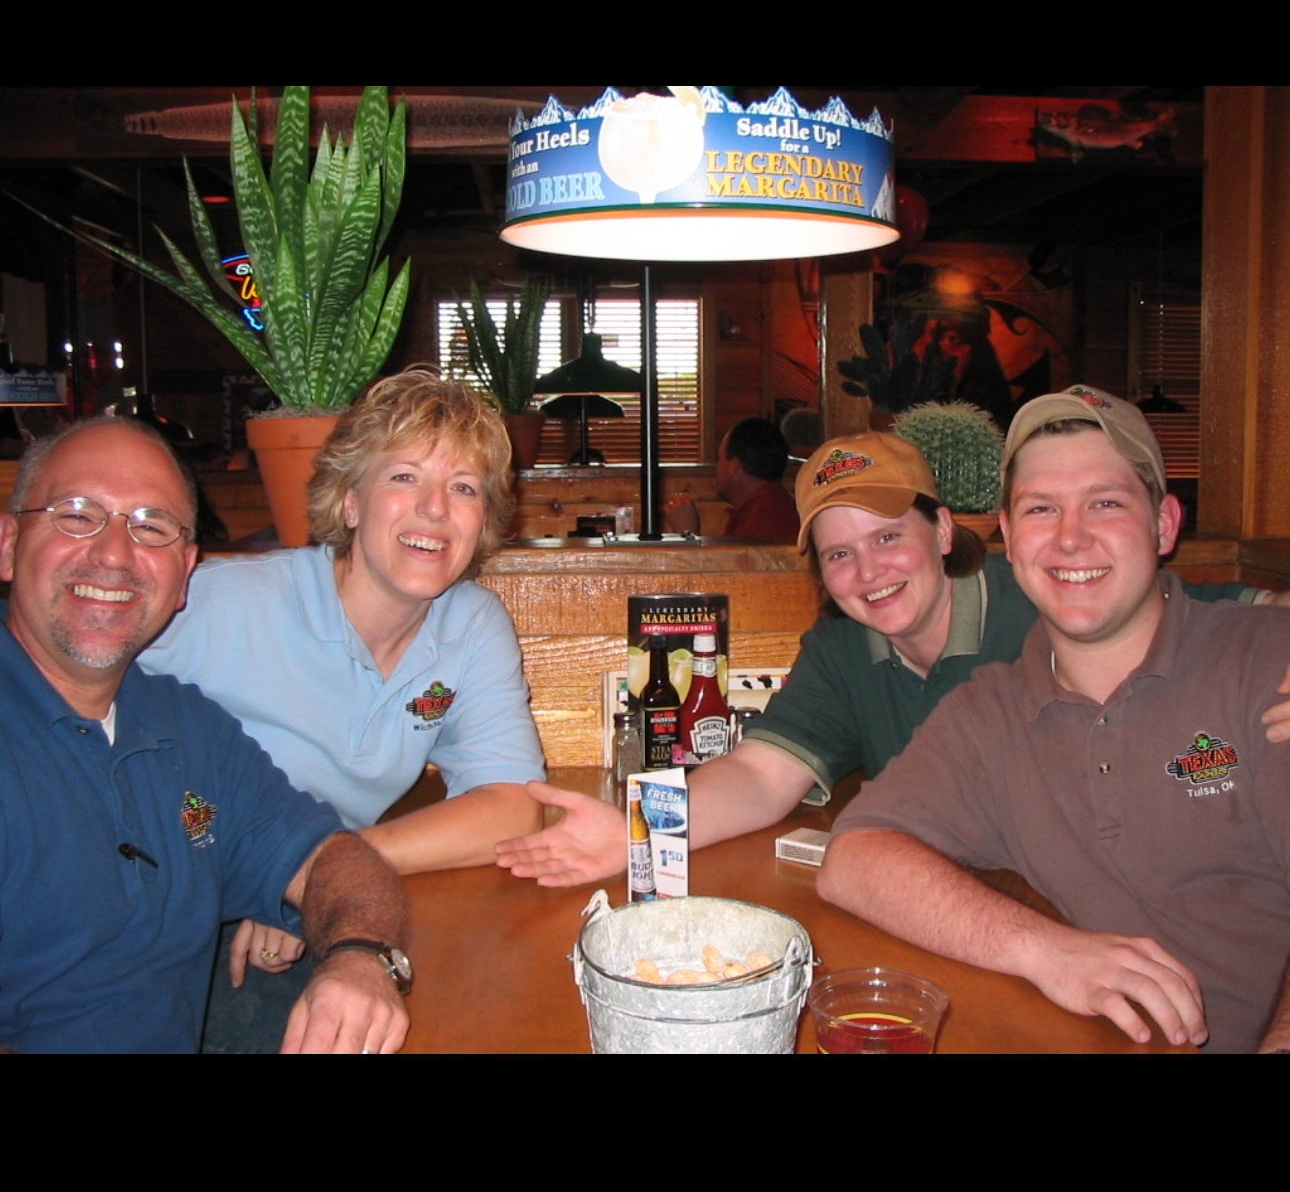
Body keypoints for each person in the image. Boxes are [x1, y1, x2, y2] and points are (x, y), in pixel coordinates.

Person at [498, 417, 1290, 895]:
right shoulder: (844, 647)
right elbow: (757, 777)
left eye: (888, 538)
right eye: (839, 555)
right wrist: (636, 831)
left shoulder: (1050, 599)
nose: (869, 571)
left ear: (943, 533)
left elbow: (1226, 614)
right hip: (983, 905)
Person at [818, 390, 1290, 1050]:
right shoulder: (989, 711)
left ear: (1163, 524)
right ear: (1009, 538)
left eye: (1105, 502)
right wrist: (1044, 950)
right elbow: (853, 860)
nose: (1071, 536)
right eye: (1042, 508)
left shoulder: (1266, 662)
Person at [137, 370, 545, 1050]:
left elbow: (512, 806)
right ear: (351, 502)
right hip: (178, 918)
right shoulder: (223, 604)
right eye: (405, 478)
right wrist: (271, 877)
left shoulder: (470, 625)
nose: (436, 508)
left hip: (319, 918)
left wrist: (311, 874)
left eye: (464, 488)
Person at [0, 417, 412, 1054]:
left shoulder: (185, 727)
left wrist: (360, 960)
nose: (113, 553)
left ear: (186, 570)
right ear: (7, 542)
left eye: (151, 526)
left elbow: (334, 860)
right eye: (77, 514)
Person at [663, 417, 800, 541]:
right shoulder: (768, 507)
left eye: (720, 459)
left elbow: (729, 569)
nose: (717, 468)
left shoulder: (764, 522)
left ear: (734, 466)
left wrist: (688, 535)